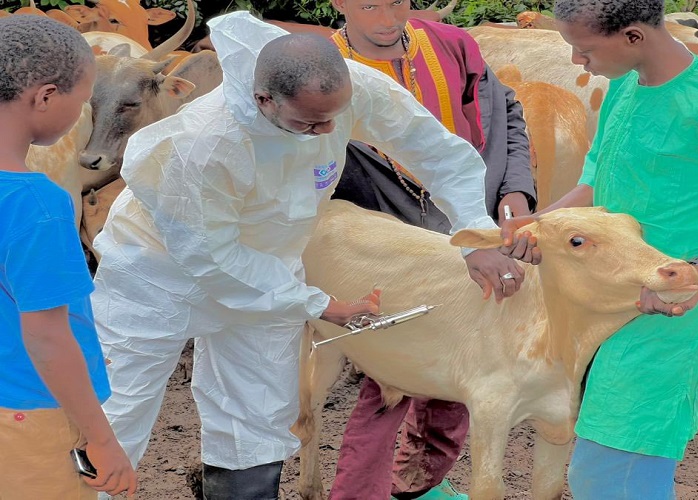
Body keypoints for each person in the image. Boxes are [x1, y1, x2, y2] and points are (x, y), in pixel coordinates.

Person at [90, 11, 524, 500]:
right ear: (263, 101)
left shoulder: (347, 86)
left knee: (258, 411)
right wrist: (320, 304)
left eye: (334, 119)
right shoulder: (208, 145)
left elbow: (434, 149)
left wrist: (475, 234)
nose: (326, 133)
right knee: (118, 405)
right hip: (159, 272)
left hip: (271, 264)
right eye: (308, 123)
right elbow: (214, 259)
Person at [497, 1, 698, 498]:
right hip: (598, 293)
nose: (577, 62)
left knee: (612, 467)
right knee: (601, 446)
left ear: (633, 37)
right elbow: (597, 177)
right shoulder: (624, 86)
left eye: (584, 49)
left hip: (667, 304)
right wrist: (541, 223)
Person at [325, 1, 536, 499]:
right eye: (368, 4)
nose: (387, 17)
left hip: (476, 232)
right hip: (389, 251)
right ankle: (356, 494)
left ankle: (417, 485)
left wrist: (514, 193)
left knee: (469, 368)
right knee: (387, 381)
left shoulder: (454, 46)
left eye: (398, 1)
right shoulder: (322, 71)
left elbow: (506, 115)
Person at [0, 15, 137, 500]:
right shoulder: (36, 204)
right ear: (45, 96)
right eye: (83, 102)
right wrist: (102, 439)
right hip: (29, 414)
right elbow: (47, 337)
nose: (83, 116)